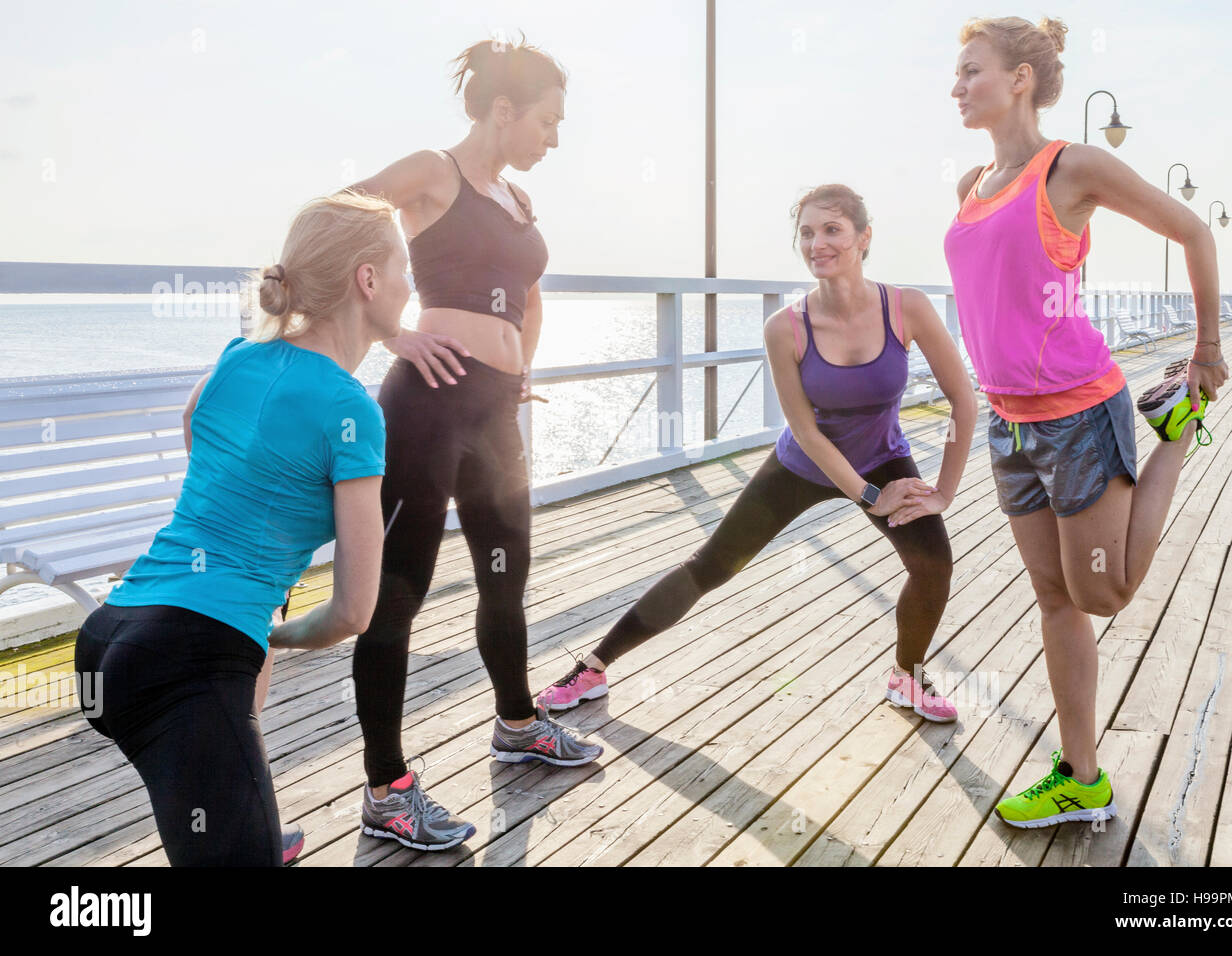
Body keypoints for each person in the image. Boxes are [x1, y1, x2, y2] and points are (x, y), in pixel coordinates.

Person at [73, 191, 478, 865]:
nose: (412, 283)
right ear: (368, 280)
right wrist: (278, 632)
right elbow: (353, 610)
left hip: (114, 631)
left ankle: (244, 828)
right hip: (185, 666)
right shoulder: (352, 410)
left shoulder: (238, 354)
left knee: (220, 823)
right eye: (403, 267)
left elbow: (196, 430)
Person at [535, 184, 978, 724]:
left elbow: (962, 398)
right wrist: (869, 496)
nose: (818, 243)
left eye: (832, 229)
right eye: (807, 233)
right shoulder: (784, 328)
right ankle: (593, 666)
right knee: (711, 566)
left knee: (933, 565)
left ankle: (906, 676)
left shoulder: (906, 307)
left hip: (882, 456)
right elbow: (807, 431)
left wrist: (943, 492)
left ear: (864, 238)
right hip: (802, 465)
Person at [946, 16, 1229, 829]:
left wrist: (1207, 346)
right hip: (1010, 422)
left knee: (1103, 591)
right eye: (957, 75)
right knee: (1054, 597)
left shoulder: (1073, 167)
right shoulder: (969, 183)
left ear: (1020, 79)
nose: (957, 87)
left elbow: (1194, 232)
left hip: (1076, 410)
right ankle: (1082, 776)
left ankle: (1177, 432)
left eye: (971, 71)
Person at [342, 35, 602, 853]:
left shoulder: (518, 201)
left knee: (506, 577)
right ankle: (386, 788)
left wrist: (521, 365)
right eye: (549, 120)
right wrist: (392, 333)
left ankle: (518, 725)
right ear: (503, 109)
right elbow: (333, 223)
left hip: (494, 412)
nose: (554, 138)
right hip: (426, 405)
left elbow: (527, 294)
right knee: (401, 592)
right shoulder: (433, 172)